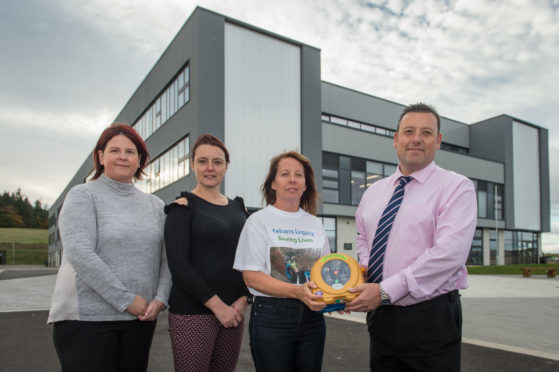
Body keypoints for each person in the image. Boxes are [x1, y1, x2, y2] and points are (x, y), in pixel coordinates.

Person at [345, 103, 477, 371]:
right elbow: (363, 236)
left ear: (438, 141)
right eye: (409, 131)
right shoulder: (374, 192)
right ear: (396, 139)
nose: (416, 139)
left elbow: (449, 255)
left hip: (431, 318)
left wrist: (383, 290)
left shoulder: (457, 187)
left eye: (426, 132)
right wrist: (366, 270)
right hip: (381, 316)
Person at [48, 123, 172, 372]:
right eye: (115, 150)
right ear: (101, 156)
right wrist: (127, 300)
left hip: (139, 320)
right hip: (86, 321)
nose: (123, 157)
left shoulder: (156, 206)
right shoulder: (83, 195)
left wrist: (160, 300)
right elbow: (81, 254)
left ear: (140, 161)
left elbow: (167, 260)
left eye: (130, 152)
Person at [233, 151, 331, 372]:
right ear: (273, 184)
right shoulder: (258, 222)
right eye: (285, 174)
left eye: (299, 175)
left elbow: (325, 271)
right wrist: (297, 291)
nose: (292, 179)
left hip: (312, 319)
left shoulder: (315, 224)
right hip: (271, 317)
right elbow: (252, 277)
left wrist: (337, 297)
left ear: (306, 185)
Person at [164, 134, 250, 372]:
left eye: (217, 162)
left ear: (226, 166)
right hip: (194, 313)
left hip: (234, 312)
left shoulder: (238, 208)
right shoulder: (181, 208)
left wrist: (243, 301)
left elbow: (250, 259)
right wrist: (218, 307)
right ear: (192, 165)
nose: (210, 168)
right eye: (202, 161)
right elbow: (179, 266)